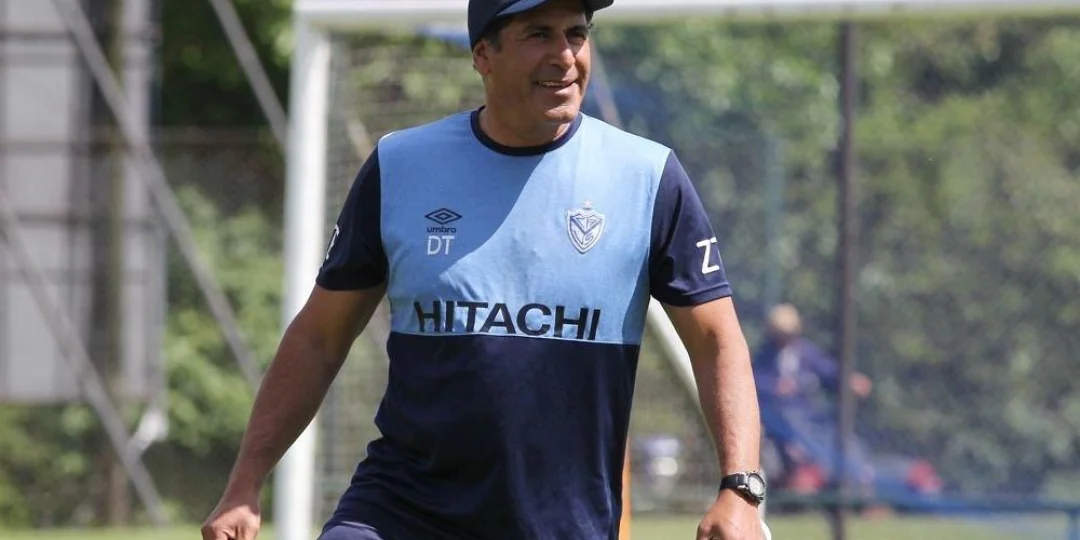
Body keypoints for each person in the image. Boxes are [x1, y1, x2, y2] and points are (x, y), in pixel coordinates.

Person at [201, 0, 767, 539]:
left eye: (576, 34)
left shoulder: (648, 177)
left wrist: (740, 488)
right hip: (400, 511)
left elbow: (717, 341)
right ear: (482, 55)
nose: (564, 55)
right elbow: (319, 337)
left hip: (560, 524)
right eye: (538, 34)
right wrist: (245, 482)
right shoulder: (400, 167)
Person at [752, 303, 873, 493]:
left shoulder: (805, 352)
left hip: (807, 415)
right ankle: (802, 472)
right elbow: (753, 380)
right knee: (794, 432)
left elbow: (828, 370)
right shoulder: (763, 355)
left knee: (834, 434)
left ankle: (853, 475)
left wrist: (850, 380)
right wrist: (775, 386)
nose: (784, 339)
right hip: (777, 418)